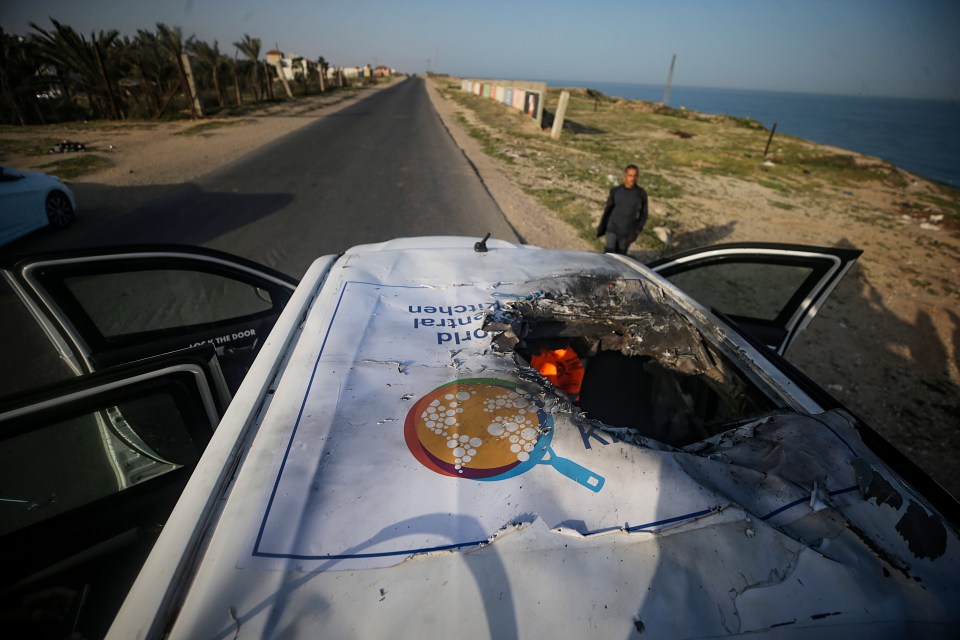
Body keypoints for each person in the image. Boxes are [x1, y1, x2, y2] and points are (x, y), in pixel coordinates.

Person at [596, 164, 649, 254]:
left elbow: (644, 214)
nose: (633, 178)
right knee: (609, 255)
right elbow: (608, 209)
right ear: (625, 177)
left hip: (627, 233)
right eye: (630, 175)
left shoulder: (641, 193)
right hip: (612, 228)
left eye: (635, 175)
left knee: (621, 258)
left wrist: (637, 230)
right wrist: (602, 226)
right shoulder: (616, 190)